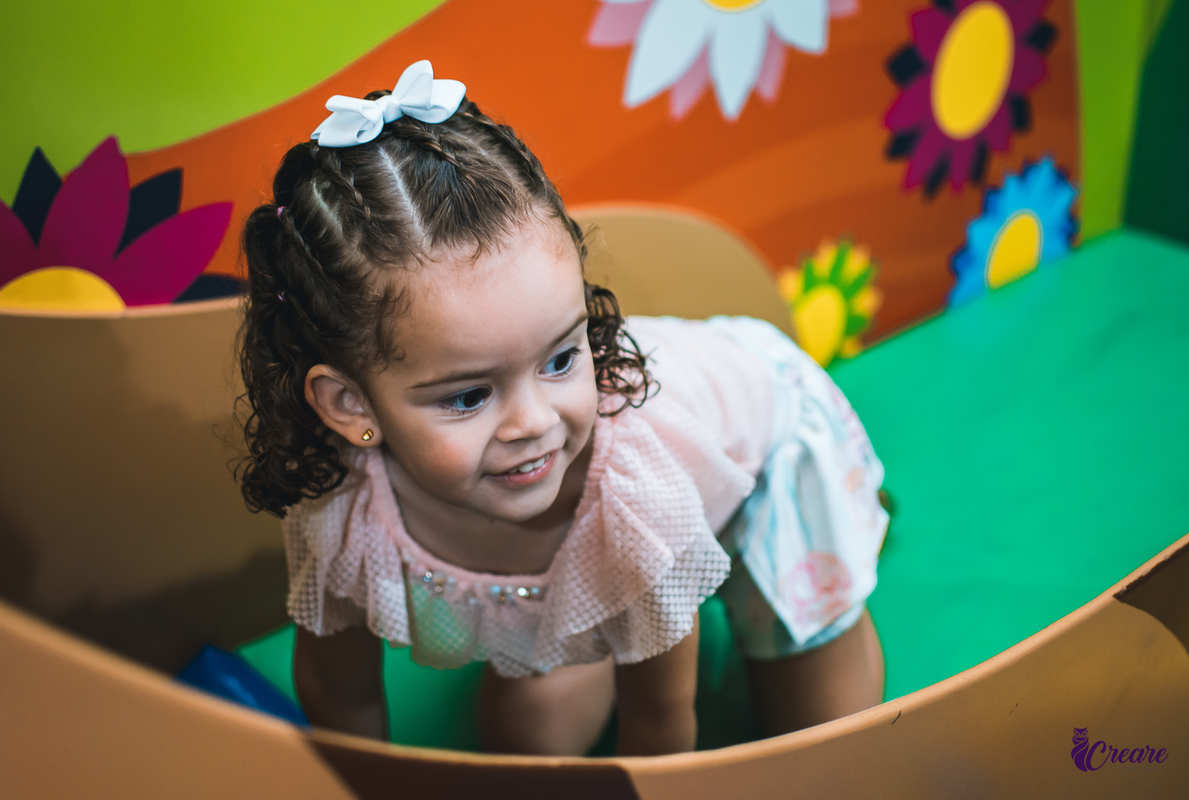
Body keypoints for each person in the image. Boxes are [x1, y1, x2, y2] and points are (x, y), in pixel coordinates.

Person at [237, 61, 888, 757]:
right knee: (521, 740)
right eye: (467, 396)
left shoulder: (635, 499)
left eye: (559, 358)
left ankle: (845, 529)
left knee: (827, 746)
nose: (536, 423)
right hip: (620, 556)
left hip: (764, 455)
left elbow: (662, 727)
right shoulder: (345, 511)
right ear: (349, 403)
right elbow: (344, 697)